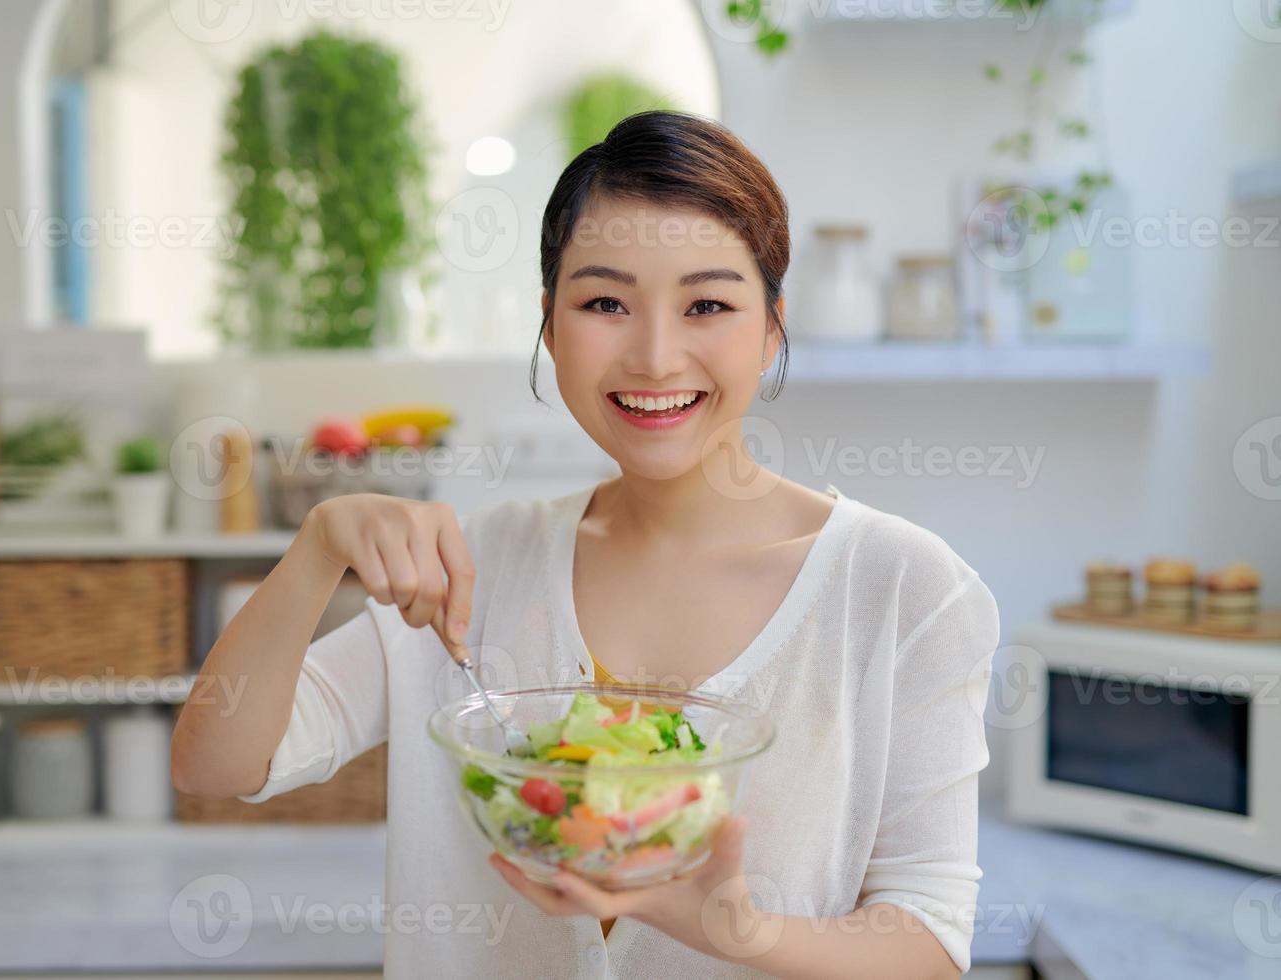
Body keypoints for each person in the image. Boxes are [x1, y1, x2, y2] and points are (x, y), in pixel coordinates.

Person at [171, 110, 999, 979]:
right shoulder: (475, 571)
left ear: (771, 326)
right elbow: (217, 763)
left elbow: (932, 942)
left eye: (707, 304)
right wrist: (316, 549)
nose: (653, 355)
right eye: (605, 302)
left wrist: (732, 927)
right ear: (549, 324)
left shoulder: (905, 587)